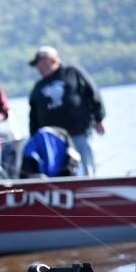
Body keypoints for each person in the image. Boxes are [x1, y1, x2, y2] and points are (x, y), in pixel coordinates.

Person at [28, 45, 106, 177]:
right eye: (37, 65)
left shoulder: (72, 72)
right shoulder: (38, 86)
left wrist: (99, 119)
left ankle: (89, 187)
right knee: (59, 171)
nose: (39, 67)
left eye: (41, 63)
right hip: (53, 140)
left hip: (79, 133)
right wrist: (34, 137)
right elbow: (33, 115)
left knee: (86, 167)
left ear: (52, 60)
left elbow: (93, 93)